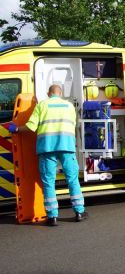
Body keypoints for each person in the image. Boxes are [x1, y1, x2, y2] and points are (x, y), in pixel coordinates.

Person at [8, 85, 87, 226]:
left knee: (48, 182)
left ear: (48, 93)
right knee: (73, 180)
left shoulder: (42, 105)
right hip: (67, 147)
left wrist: (17, 129)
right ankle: (79, 212)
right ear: (60, 93)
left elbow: (31, 126)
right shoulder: (69, 106)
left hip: (47, 148)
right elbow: (73, 125)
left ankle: (52, 217)